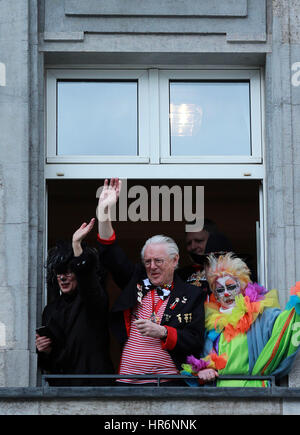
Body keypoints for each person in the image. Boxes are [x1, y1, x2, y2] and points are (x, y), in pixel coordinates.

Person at [96, 178, 206, 386]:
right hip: (126, 383)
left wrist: (163, 332)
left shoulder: (192, 294)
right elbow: (110, 252)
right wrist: (104, 212)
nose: (152, 266)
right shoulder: (136, 281)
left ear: (175, 261)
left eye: (158, 261)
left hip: (168, 384)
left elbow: (196, 340)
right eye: (148, 261)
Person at [181, 252, 300, 387]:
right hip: (219, 395)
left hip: (255, 391)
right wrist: (204, 371)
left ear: (243, 287)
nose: (226, 293)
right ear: (215, 294)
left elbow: (285, 325)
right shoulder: (211, 323)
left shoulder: (260, 315)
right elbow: (200, 358)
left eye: (231, 287)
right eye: (220, 290)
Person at [36, 218, 114, 385]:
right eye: (59, 272)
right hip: (62, 390)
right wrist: (46, 350)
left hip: (95, 389)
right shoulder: (50, 311)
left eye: (69, 271)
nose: (63, 277)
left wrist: (77, 246)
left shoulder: (93, 301)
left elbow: (88, 283)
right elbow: (51, 365)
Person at [178, 220, 233, 292]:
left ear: (213, 240)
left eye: (199, 241)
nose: (193, 246)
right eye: (189, 243)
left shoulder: (234, 272)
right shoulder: (179, 275)